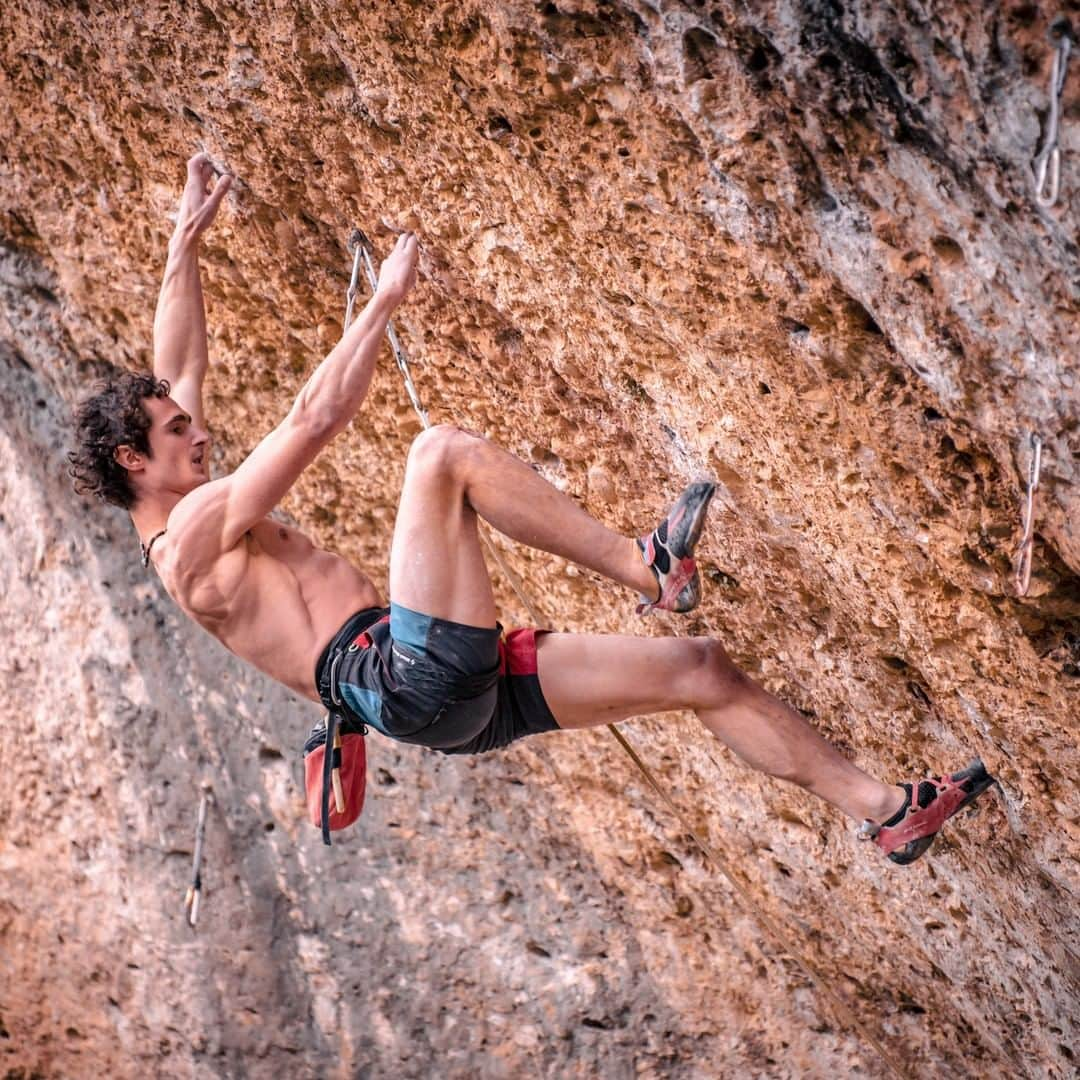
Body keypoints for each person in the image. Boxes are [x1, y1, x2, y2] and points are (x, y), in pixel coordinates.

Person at [69, 153, 994, 862]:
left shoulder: (174, 498)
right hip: (402, 675)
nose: (199, 431)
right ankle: (648, 567)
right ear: (132, 460)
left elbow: (173, 368)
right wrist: (381, 303)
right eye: (176, 430)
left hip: (439, 696)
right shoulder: (191, 538)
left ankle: (888, 816)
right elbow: (313, 421)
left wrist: (183, 243)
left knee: (701, 670)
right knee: (441, 456)